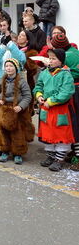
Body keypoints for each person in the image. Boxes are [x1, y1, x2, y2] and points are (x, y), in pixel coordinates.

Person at [33, 48, 75, 171]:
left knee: (60, 133)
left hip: (60, 110)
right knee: (48, 133)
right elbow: (38, 85)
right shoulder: (45, 73)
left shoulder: (65, 74)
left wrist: (51, 101)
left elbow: (66, 92)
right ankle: (51, 156)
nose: (50, 61)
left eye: (53, 58)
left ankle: (59, 159)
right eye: (49, 58)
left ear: (61, 61)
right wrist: (39, 95)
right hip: (46, 109)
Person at [0, 58, 33, 164]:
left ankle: (17, 153)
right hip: (4, 110)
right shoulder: (2, 80)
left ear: (16, 68)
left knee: (17, 132)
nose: (8, 68)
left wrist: (21, 106)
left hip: (16, 110)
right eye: (7, 66)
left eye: (11, 66)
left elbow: (27, 96)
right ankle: (4, 151)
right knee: (2, 131)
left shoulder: (22, 82)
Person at [50, 31, 79, 171]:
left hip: (74, 92)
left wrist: (61, 71)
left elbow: (73, 73)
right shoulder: (73, 51)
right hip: (73, 91)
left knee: (74, 125)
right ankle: (73, 153)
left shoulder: (68, 56)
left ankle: (77, 158)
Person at [0, 18, 25, 108]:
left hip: (14, 90)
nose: (9, 43)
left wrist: (11, 45)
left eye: (13, 41)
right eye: (8, 41)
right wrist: (3, 46)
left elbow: (21, 60)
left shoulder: (20, 53)